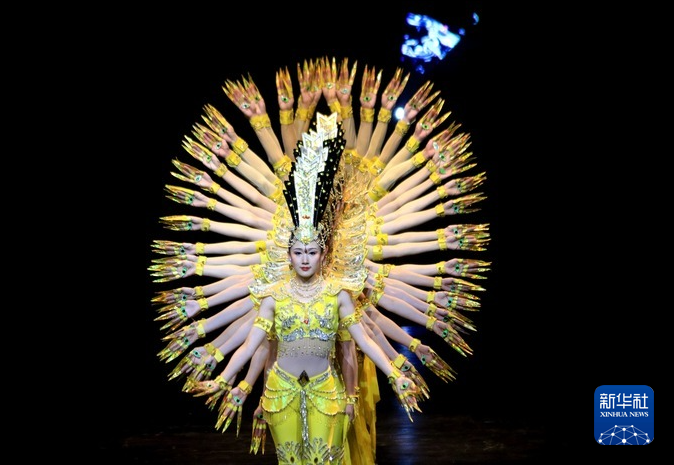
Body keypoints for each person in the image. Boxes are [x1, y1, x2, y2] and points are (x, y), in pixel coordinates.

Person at [148, 56, 490, 464]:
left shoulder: (350, 265)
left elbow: (363, 337)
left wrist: (396, 366)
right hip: (288, 383)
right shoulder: (276, 279)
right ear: (290, 251)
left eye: (312, 250)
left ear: (323, 249)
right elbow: (260, 342)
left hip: (334, 377)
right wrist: (235, 382)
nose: (306, 257)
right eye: (299, 250)